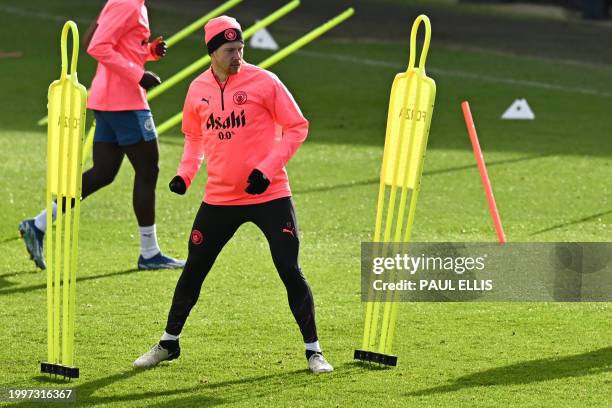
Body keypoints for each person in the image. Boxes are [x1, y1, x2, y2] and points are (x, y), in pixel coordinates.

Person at [133, 16, 333, 374]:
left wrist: (266, 170)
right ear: (212, 52)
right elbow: (194, 137)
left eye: (240, 48)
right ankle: (168, 343)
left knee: (289, 268)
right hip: (220, 199)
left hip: (270, 194)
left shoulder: (265, 81)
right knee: (194, 270)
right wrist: (185, 174)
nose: (237, 55)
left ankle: (314, 351)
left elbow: (296, 127)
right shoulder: (197, 90)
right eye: (229, 50)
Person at [19, 0, 185, 270]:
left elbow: (97, 40)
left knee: (103, 173)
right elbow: (97, 45)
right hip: (125, 102)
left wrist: (148, 51)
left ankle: (37, 225)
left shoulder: (128, 3)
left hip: (107, 100)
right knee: (147, 170)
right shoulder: (128, 4)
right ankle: (150, 253)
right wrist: (138, 74)